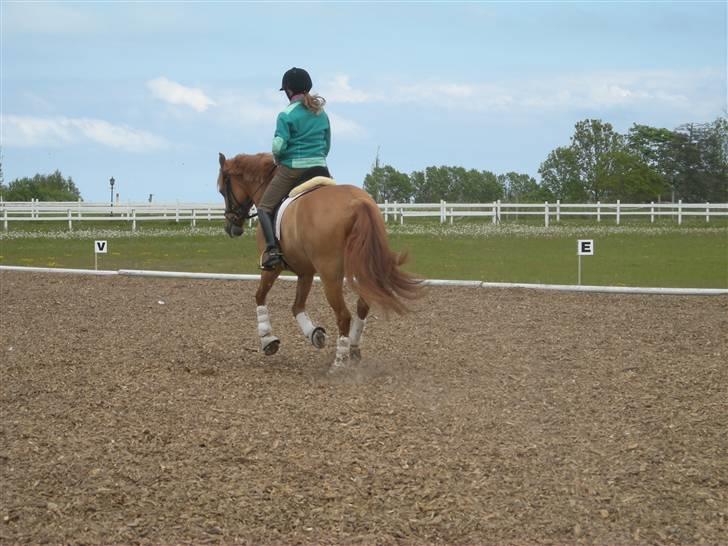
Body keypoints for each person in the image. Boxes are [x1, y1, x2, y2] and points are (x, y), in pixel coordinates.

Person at [257, 67, 332, 270]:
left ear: (289, 91)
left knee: (264, 208)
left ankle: (272, 250)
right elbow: (326, 144)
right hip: (321, 169)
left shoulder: (286, 114)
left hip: (293, 169)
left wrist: (278, 158)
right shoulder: (321, 113)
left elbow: (278, 146)